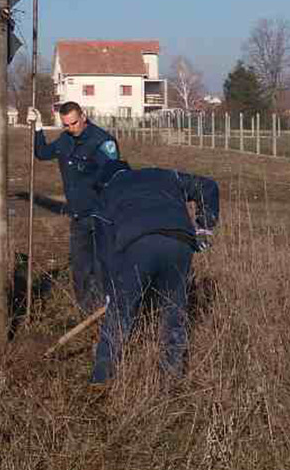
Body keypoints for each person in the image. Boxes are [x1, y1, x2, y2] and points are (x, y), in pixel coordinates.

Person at [88, 165, 219, 384]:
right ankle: (171, 378)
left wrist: (111, 292)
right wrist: (204, 227)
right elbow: (208, 185)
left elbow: (105, 253)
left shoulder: (109, 191)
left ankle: (101, 378)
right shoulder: (166, 175)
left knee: (119, 315)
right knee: (173, 312)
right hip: (180, 242)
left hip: (138, 245)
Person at [28, 101, 123, 313]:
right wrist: (37, 128)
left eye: (74, 123)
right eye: (66, 125)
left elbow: (114, 176)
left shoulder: (102, 142)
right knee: (80, 267)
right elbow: (42, 153)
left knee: (101, 267)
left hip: (100, 214)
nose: (71, 128)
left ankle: (102, 312)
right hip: (78, 215)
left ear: (83, 117)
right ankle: (84, 310)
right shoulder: (65, 140)